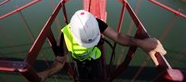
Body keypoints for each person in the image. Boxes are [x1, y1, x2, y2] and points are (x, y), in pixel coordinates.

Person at [38, 10, 167, 81]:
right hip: (78, 60)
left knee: (99, 77)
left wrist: (142, 43)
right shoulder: (65, 35)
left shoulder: (95, 23)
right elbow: (60, 61)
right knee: (82, 77)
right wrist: (45, 73)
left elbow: (118, 36)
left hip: (95, 57)